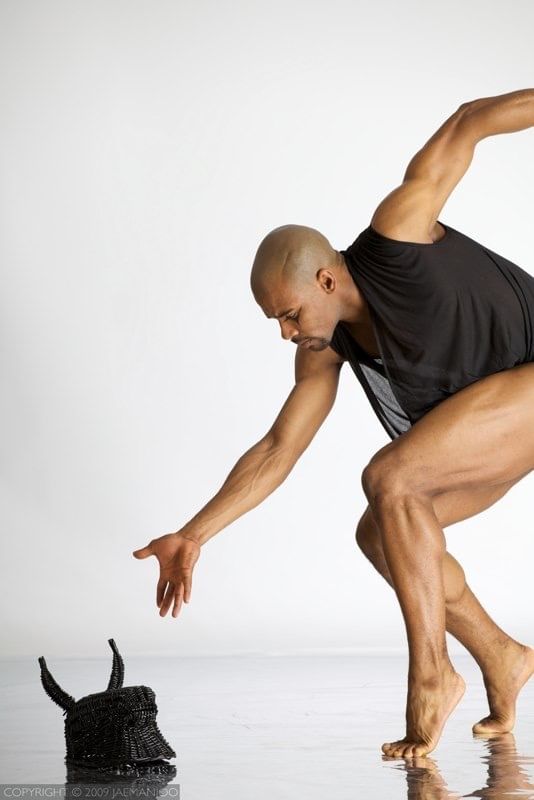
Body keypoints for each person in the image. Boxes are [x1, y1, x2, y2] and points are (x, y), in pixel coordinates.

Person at [133, 88, 534, 758]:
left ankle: (431, 675)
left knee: (390, 476)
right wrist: (193, 534)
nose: (287, 333)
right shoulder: (326, 351)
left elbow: (468, 124)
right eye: (277, 323)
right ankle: (502, 656)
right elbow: (277, 449)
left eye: (289, 315)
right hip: (501, 419)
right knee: (381, 531)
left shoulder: (399, 234)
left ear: (326, 280)